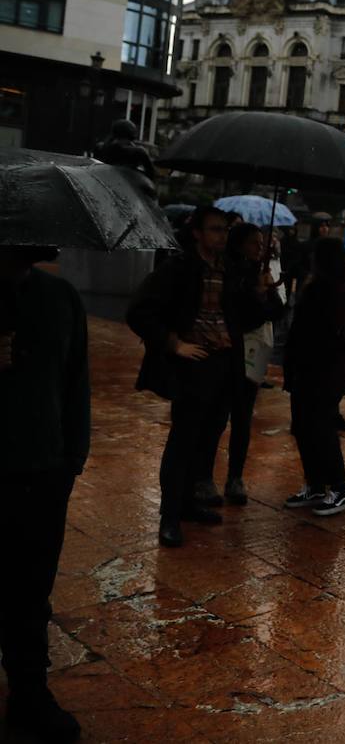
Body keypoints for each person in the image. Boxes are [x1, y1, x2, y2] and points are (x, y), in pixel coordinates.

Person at [0, 245, 87, 743]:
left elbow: (76, 381)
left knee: (31, 590)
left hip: (43, 472)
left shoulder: (60, 297)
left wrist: (72, 458)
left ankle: (29, 692)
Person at [127, 206, 243, 547]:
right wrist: (174, 343)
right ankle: (170, 516)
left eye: (225, 230)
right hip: (195, 366)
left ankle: (191, 504)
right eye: (215, 229)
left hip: (225, 364)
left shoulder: (232, 270)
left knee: (207, 441)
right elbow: (139, 312)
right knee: (183, 442)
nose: (222, 236)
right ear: (197, 232)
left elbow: (243, 317)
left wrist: (265, 293)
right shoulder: (178, 268)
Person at [210, 224, 285, 505]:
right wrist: (256, 294)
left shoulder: (260, 272)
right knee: (217, 417)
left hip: (253, 358)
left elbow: (276, 312)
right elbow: (242, 315)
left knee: (243, 419)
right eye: (254, 243)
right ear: (240, 244)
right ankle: (204, 477)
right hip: (228, 353)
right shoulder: (228, 273)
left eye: (262, 243)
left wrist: (267, 291)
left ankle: (235, 477)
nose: (260, 248)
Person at [282, 237, 345, 515]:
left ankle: (339, 487)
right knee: (303, 428)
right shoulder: (315, 287)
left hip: (323, 374)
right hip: (305, 371)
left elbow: (339, 335)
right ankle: (314, 484)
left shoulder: (338, 291)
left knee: (322, 429)